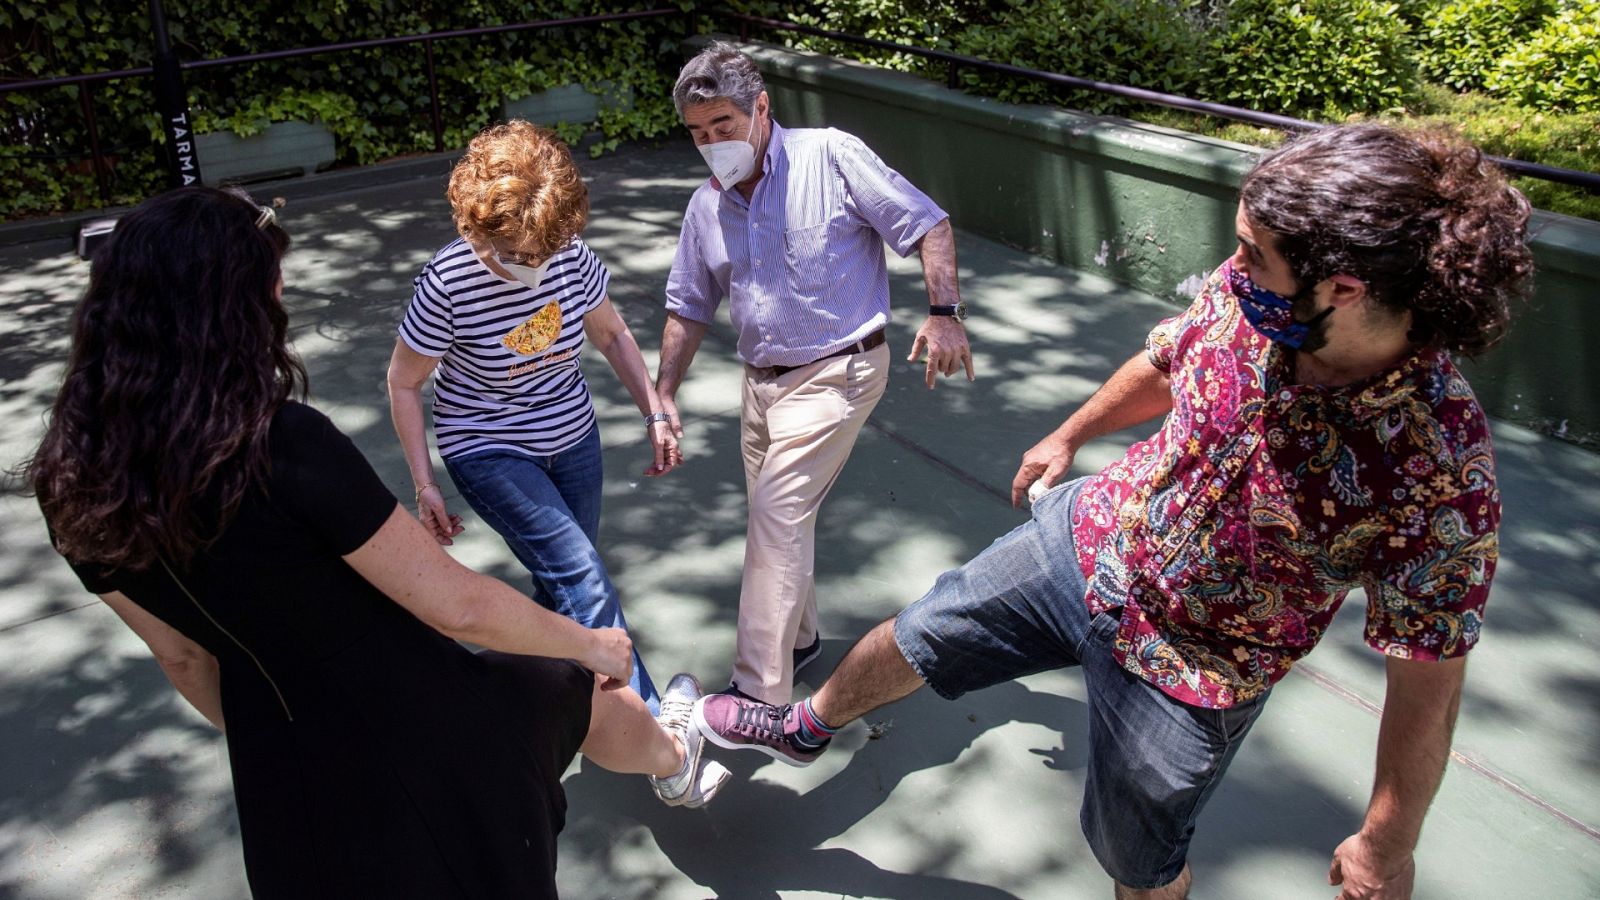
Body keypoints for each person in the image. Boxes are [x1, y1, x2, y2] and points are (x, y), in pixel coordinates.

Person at [693, 124, 1533, 900]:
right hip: (1093, 537)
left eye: (1252, 252)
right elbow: (1168, 361)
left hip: (1195, 664)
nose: (1230, 267)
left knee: (1139, 857)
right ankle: (804, 725)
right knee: (922, 628)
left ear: (1342, 289)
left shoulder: (1436, 467)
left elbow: (1430, 675)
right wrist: (1071, 433)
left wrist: (1388, 841)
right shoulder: (1248, 302)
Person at [27, 187, 725, 899]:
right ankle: (675, 754)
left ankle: (672, 753)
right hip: (432, 743)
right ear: (232, 308)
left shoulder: (70, 485)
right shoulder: (282, 447)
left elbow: (184, 658)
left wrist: (294, 738)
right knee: (582, 684)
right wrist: (588, 644)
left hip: (282, 778)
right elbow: (455, 606)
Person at [657, 41, 975, 705]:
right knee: (779, 519)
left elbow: (928, 224)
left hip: (840, 370)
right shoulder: (705, 208)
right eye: (697, 133)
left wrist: (944, 312)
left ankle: (756, 699)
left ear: (762, 108)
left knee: (776, 513)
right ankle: (798, 639)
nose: (711, 143)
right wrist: (662, 393)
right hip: (759, 384)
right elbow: (687, 309)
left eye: (722, 125)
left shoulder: (830, 155)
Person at [388, 120, 675, 712]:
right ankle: (659, 737)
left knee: (561, 583)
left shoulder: (569, 255)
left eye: (542, 251)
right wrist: (424, 484)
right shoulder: (448, 282)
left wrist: (654, 413)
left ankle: (513, 705)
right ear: (473, 225)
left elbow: (614, 335)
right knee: (584, 581)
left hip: (571, 434)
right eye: (513, 254)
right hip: (486, 446)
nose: (531, 266)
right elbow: (404, 382)